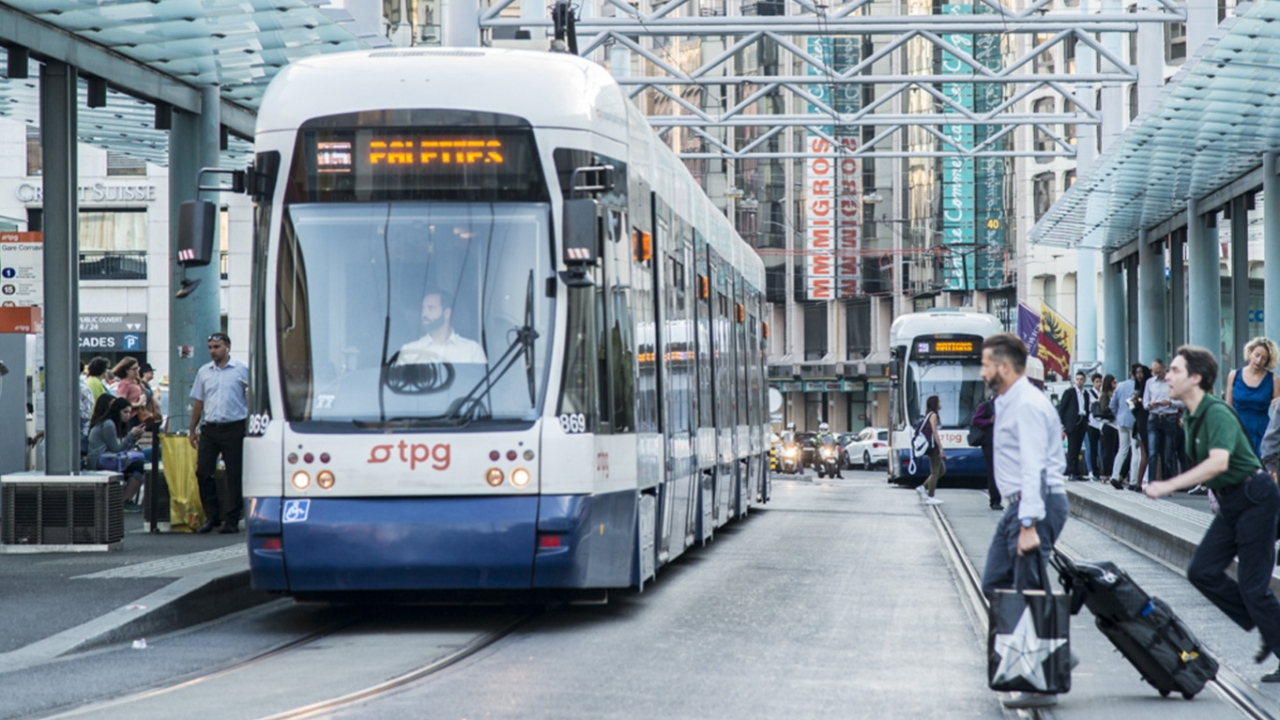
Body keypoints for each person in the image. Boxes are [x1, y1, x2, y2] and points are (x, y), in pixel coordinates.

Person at [1144, 346, 1280, 683]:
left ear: (1196, 378)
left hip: (1255, 499)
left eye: (1175, 370)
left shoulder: (1215, 412)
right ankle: (1265, 621)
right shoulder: (1189, 415)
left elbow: (1218, 462)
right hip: (1232, 502)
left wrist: (1168, 485)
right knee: (1202, 571)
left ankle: (1270, 625)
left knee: (1254, 588)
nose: (1168, 376)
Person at [978, 333, 1070, 710]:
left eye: (985, 363)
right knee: (997, 582)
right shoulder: (1006, 402)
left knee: (1027, 587)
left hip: (1035, 505)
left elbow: (1034, 465)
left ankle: (1040, 683)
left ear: (1002, 366)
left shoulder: (1027, 405)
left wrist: (1029, 522)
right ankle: (1053, 649)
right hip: (1018, 507)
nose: (981, 370)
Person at [189, 332, 249, 534]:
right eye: (211, 348)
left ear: (227, 347)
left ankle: (232, 519)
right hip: (210, 428)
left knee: (234, 474)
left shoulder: (241, 370)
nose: (213, 351)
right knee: (203, 472)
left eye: (217, 347)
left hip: (234, 426)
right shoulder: (204, 372)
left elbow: (250, 398)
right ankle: (212, 516)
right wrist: (192, 429)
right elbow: (199, 401)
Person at [86, 394, 146, 512]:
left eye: (129, 413)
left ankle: (126, 500)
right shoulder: (108, 424)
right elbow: (117, 449)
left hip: (109, 458)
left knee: (141, 463)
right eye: (125, 412)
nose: (127, 416)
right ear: (117, 411)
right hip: (101, 460)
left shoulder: (112, 423)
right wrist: (131, 435)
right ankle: (124, 501)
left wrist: (134, 437)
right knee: (140, 465)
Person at [396, 289, 487, 365]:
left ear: (447, 313)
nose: (424, 314)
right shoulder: (409, 351)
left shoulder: (472, 350)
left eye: (431, 308)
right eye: (423, 308)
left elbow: (483, 384)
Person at [1226, 337, 1280, 456]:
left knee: (1261, 470)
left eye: (1264, 358)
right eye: (1257, 355)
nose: (1259, 360)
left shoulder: (1273, 379)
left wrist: (1277, 403)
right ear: (1249, 353)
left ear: (1267, 361)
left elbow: (1278, 411)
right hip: (1238, 430)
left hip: (1262, 432)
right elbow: (1228, 408)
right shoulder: (1234, 375)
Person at [1144, 358, 1184, 483]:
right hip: (1154, 417)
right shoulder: (1150, 383)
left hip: (1169, 417)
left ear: (1164, 368)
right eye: (1154, 372)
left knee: (1168, 454)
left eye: (1159, 372)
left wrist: (1170, 402)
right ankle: (1151, 482)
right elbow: (1145, 403)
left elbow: (1182, 403)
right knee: (1152, 453)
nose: (1156, 375)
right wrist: (1150, 404)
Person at [1109, 365, 1141, 491]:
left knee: (1122, 449)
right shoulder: (1139, 387)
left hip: (1121, 421)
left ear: (1129, 373)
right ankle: (1133, 481)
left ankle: (1115, 476)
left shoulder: (1120, 385)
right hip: (1134, 421)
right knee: (1135, 451)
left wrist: (1118, 415)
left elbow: (1112, 405)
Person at [1057, 371, 1090, 481]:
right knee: (1072, 448)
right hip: (1072, 423)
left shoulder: (1086, 394)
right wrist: (1062, 424)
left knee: (1078, 448)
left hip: (1082, 421)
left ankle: (1077, 472)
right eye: (1077, 379)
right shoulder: (1069, 392)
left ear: (1084, 381)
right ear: (1075, 380)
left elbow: (1087, 408)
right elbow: (1062, 408)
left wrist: (1086, 420)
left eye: (1081, 379)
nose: (1079, 381)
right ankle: (1071, 472)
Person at [970, 392, 1001, 510]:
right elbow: (975, 421)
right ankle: (995, 500)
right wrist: (989, 421)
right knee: (993, 471)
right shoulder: (986, 406)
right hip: (990, 443)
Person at [914, 396, 946, 505]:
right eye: (939, 401)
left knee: (942, 470)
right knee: (935, 472)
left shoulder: (928, 414)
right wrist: (941, 448)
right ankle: (930, 496)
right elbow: (934, 432)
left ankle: (923, 487)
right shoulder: (933, 415)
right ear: (935, 403)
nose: (941, 403)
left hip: (930, 446)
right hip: (933, 447)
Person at [1095, 374, 1119, 486]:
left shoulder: (1113, 394)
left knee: (1114, 450)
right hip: (1108, 425)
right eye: (1114, 382)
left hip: (1114, 425)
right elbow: (1104, 409)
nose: (1115, 385)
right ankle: (1105, 474)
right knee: (1108, 451)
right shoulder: (1105, 395)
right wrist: (1114, 408)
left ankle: (1112, 473)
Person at [1085, 373, 1103, 481]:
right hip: (1092, 423)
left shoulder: (1103, 393)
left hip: (1101, 423)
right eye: (1097, 382)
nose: (1099, 384)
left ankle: (1101, 470)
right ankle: (1092, 471)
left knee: (1101, 449)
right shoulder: (1089, 393)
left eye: (1100, 382)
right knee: (1092, 449)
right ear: (1093, 382)